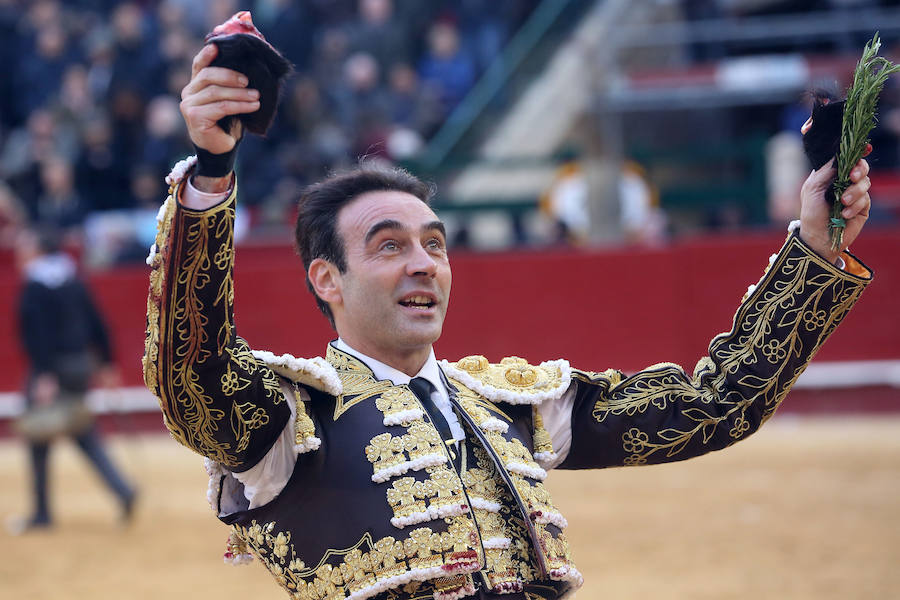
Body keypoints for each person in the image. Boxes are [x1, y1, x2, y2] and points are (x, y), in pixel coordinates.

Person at [142, 43, 874, 600]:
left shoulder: (508, 407)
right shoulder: (284, 421)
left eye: (434, 243)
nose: (424, 263)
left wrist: (813, 249)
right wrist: (210, 174)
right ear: (325, 279)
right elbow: (191, 368)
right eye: (389, 246)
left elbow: (711, 406)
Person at [9, 227, 136, 534]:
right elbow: (97, 322)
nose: (20, 251)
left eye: (26, 246)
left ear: (39, 251)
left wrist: (44, 375)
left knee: (39, 437)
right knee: (82, 432)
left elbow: (37, 335)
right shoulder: (74, 279)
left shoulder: (35, 286)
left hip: (52, 369)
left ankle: (41, 513)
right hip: (81, 365)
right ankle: (123, 490)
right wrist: (106, 364)